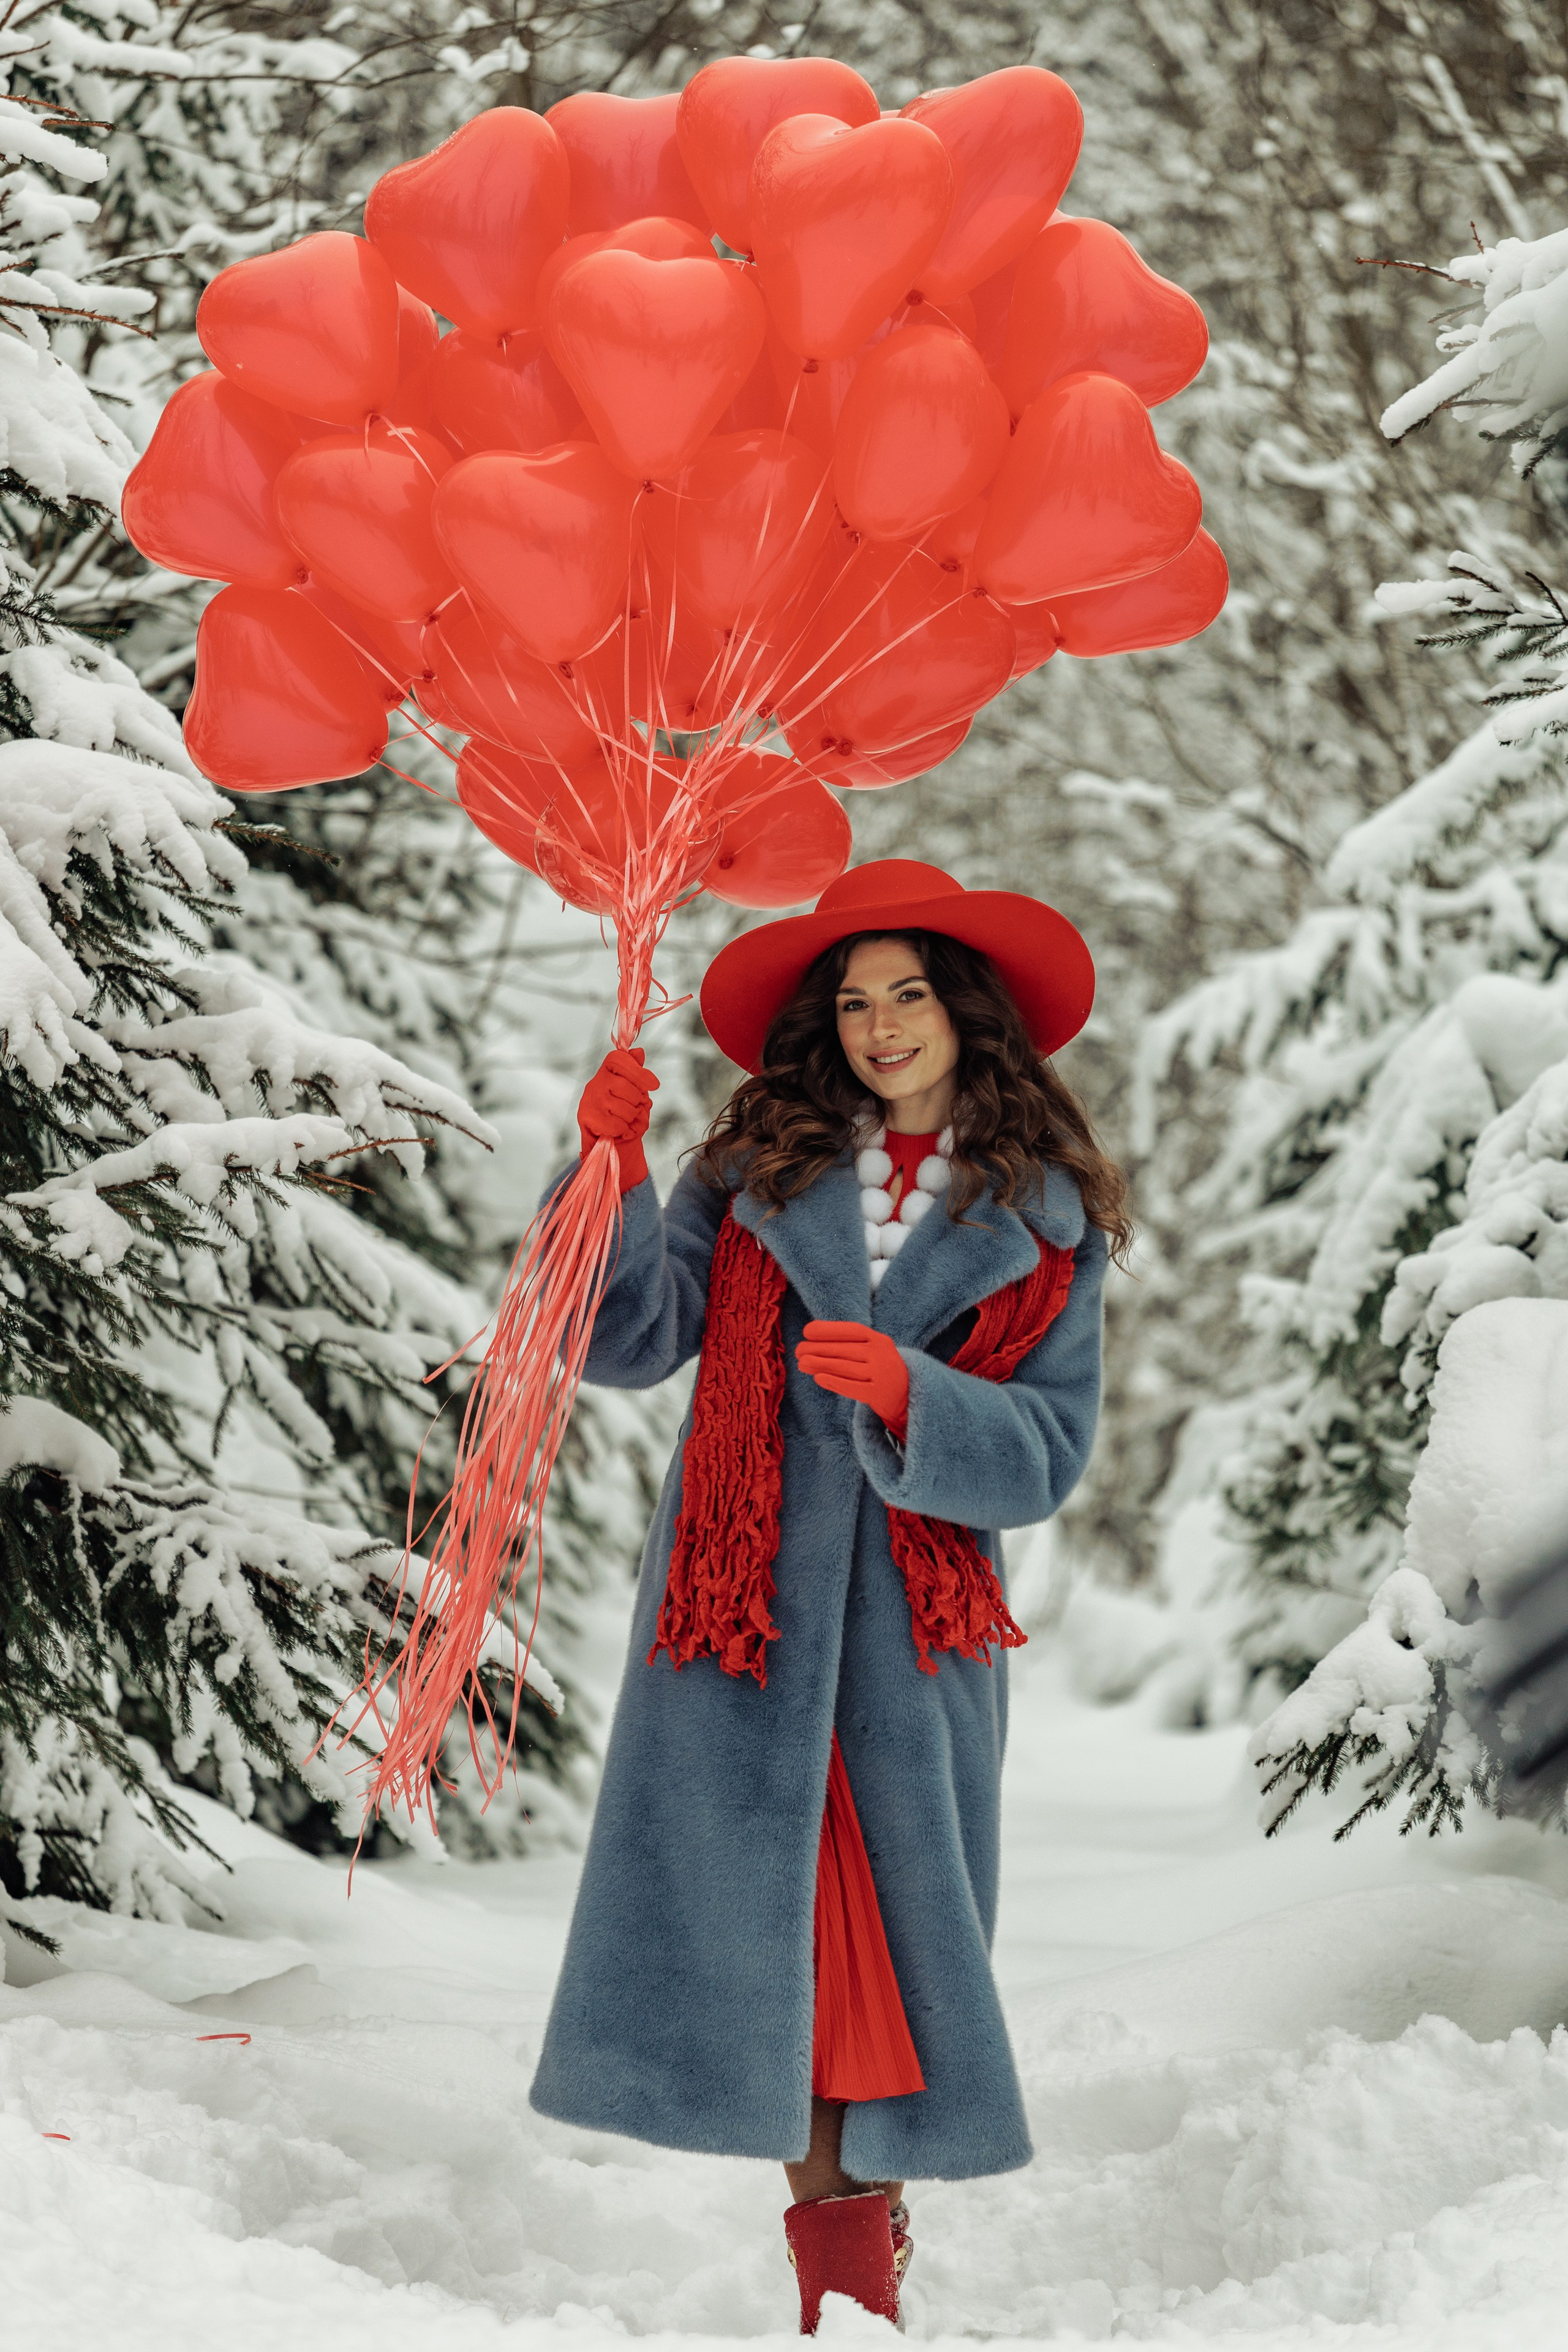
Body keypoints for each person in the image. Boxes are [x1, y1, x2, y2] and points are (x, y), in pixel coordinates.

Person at [529, 859, 1131, 2331]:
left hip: (916, 1639)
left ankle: (861, 2271)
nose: (878, 1025)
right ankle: (845, 2295)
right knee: (774, 1954)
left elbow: (1047, 1450)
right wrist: (601, 1177)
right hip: (739, 1615)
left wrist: (912, 1393)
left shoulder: (1046, 1220)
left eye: (906, 993)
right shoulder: (750, 1175)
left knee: (886, 1964)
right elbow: (624, 1339)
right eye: (852, 1000)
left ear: (962, 1010)